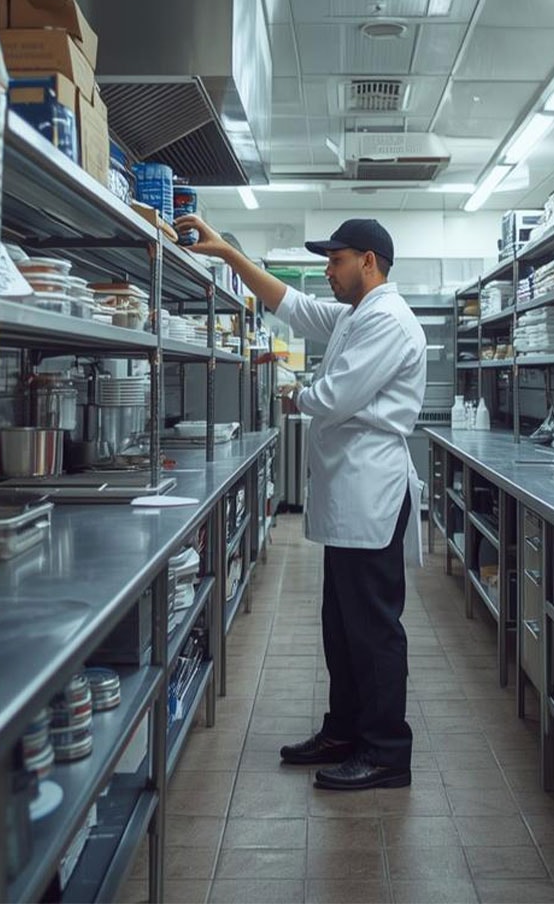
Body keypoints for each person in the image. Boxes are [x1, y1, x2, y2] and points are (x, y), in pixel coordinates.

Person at [175, 213, 426, 790]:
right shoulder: (357, 316)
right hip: (349, 498)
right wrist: (228, 256)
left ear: (368, 261)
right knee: (341, 627)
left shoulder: (387, 321)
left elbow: (335, 398)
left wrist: (291, 392)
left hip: (371, 496)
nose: (327, 272)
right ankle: (344, 730)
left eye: (335, 261)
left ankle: (387, 750)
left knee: (374, 630)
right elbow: (290, 304)